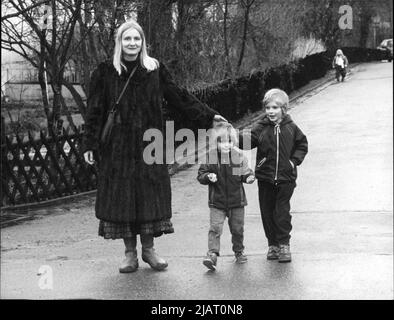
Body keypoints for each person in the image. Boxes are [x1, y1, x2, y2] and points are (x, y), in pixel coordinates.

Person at [82, 19, 226, 273]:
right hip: (117, 148)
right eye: (127, 39)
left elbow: (178, 95)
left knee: (149, 197)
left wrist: (208, 115)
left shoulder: (154, 69)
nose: (132, 43)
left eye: (137, 39)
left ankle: (148, 251)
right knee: (122, 198)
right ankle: (129, 254)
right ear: (119, 42)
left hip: (150, 144)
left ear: (143, 42)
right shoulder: (105, 72)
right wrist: (90, 144)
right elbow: (94, 110)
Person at [238, 89, 308, 263]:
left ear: (283, 109)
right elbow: (247, 142)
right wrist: (234, 136)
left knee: (282, 212)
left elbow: (302, 144)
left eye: (275, 107)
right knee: (267, 212)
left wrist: (293, 162)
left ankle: (284, 244)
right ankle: (273, 245)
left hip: (286, 178)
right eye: (268, 107)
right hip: (266, 178)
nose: (270, 111)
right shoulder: (261, 127)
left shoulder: (291, 127)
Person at [197, 122, 255, 270]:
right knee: (215, 228)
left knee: (237, 229)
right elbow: (201, 174)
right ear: (216, 143)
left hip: (237, 201)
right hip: (217, 202)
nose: (226, 145)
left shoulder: (238, 156)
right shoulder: (210, 157)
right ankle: (212, 254)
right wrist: (208, 176)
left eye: (229, 142)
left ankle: (239, 251)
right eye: (222, 142)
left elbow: (243, 173)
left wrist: (248, 177)